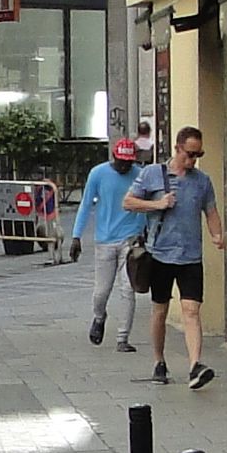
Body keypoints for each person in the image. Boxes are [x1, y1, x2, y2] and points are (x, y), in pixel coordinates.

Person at [124, 126, 227, 389]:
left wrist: (218, 234)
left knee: (191, 310)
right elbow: (128, 202)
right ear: (178, 149)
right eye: (190, 154)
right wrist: (157, 204)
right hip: (160, 254)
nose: (193, 160)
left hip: (191, 256)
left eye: (198, 155)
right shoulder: (152, 174)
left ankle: (195, 366)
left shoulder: (202, 181)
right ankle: (159, 360)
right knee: (160, 310)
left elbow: (211, 211)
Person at [73, 137, 152, 352]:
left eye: (129, 162)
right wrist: (76, 236)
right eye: (121, 162)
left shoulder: (140, 175)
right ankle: (99, 317)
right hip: (105, 240)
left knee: (128, 288)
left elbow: (145, 205)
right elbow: (86, 204)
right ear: (114, 157)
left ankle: (123, 338)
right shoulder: (98, 174)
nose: (125, 166)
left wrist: (146, 232)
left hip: (131, 240)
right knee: (101, 292)